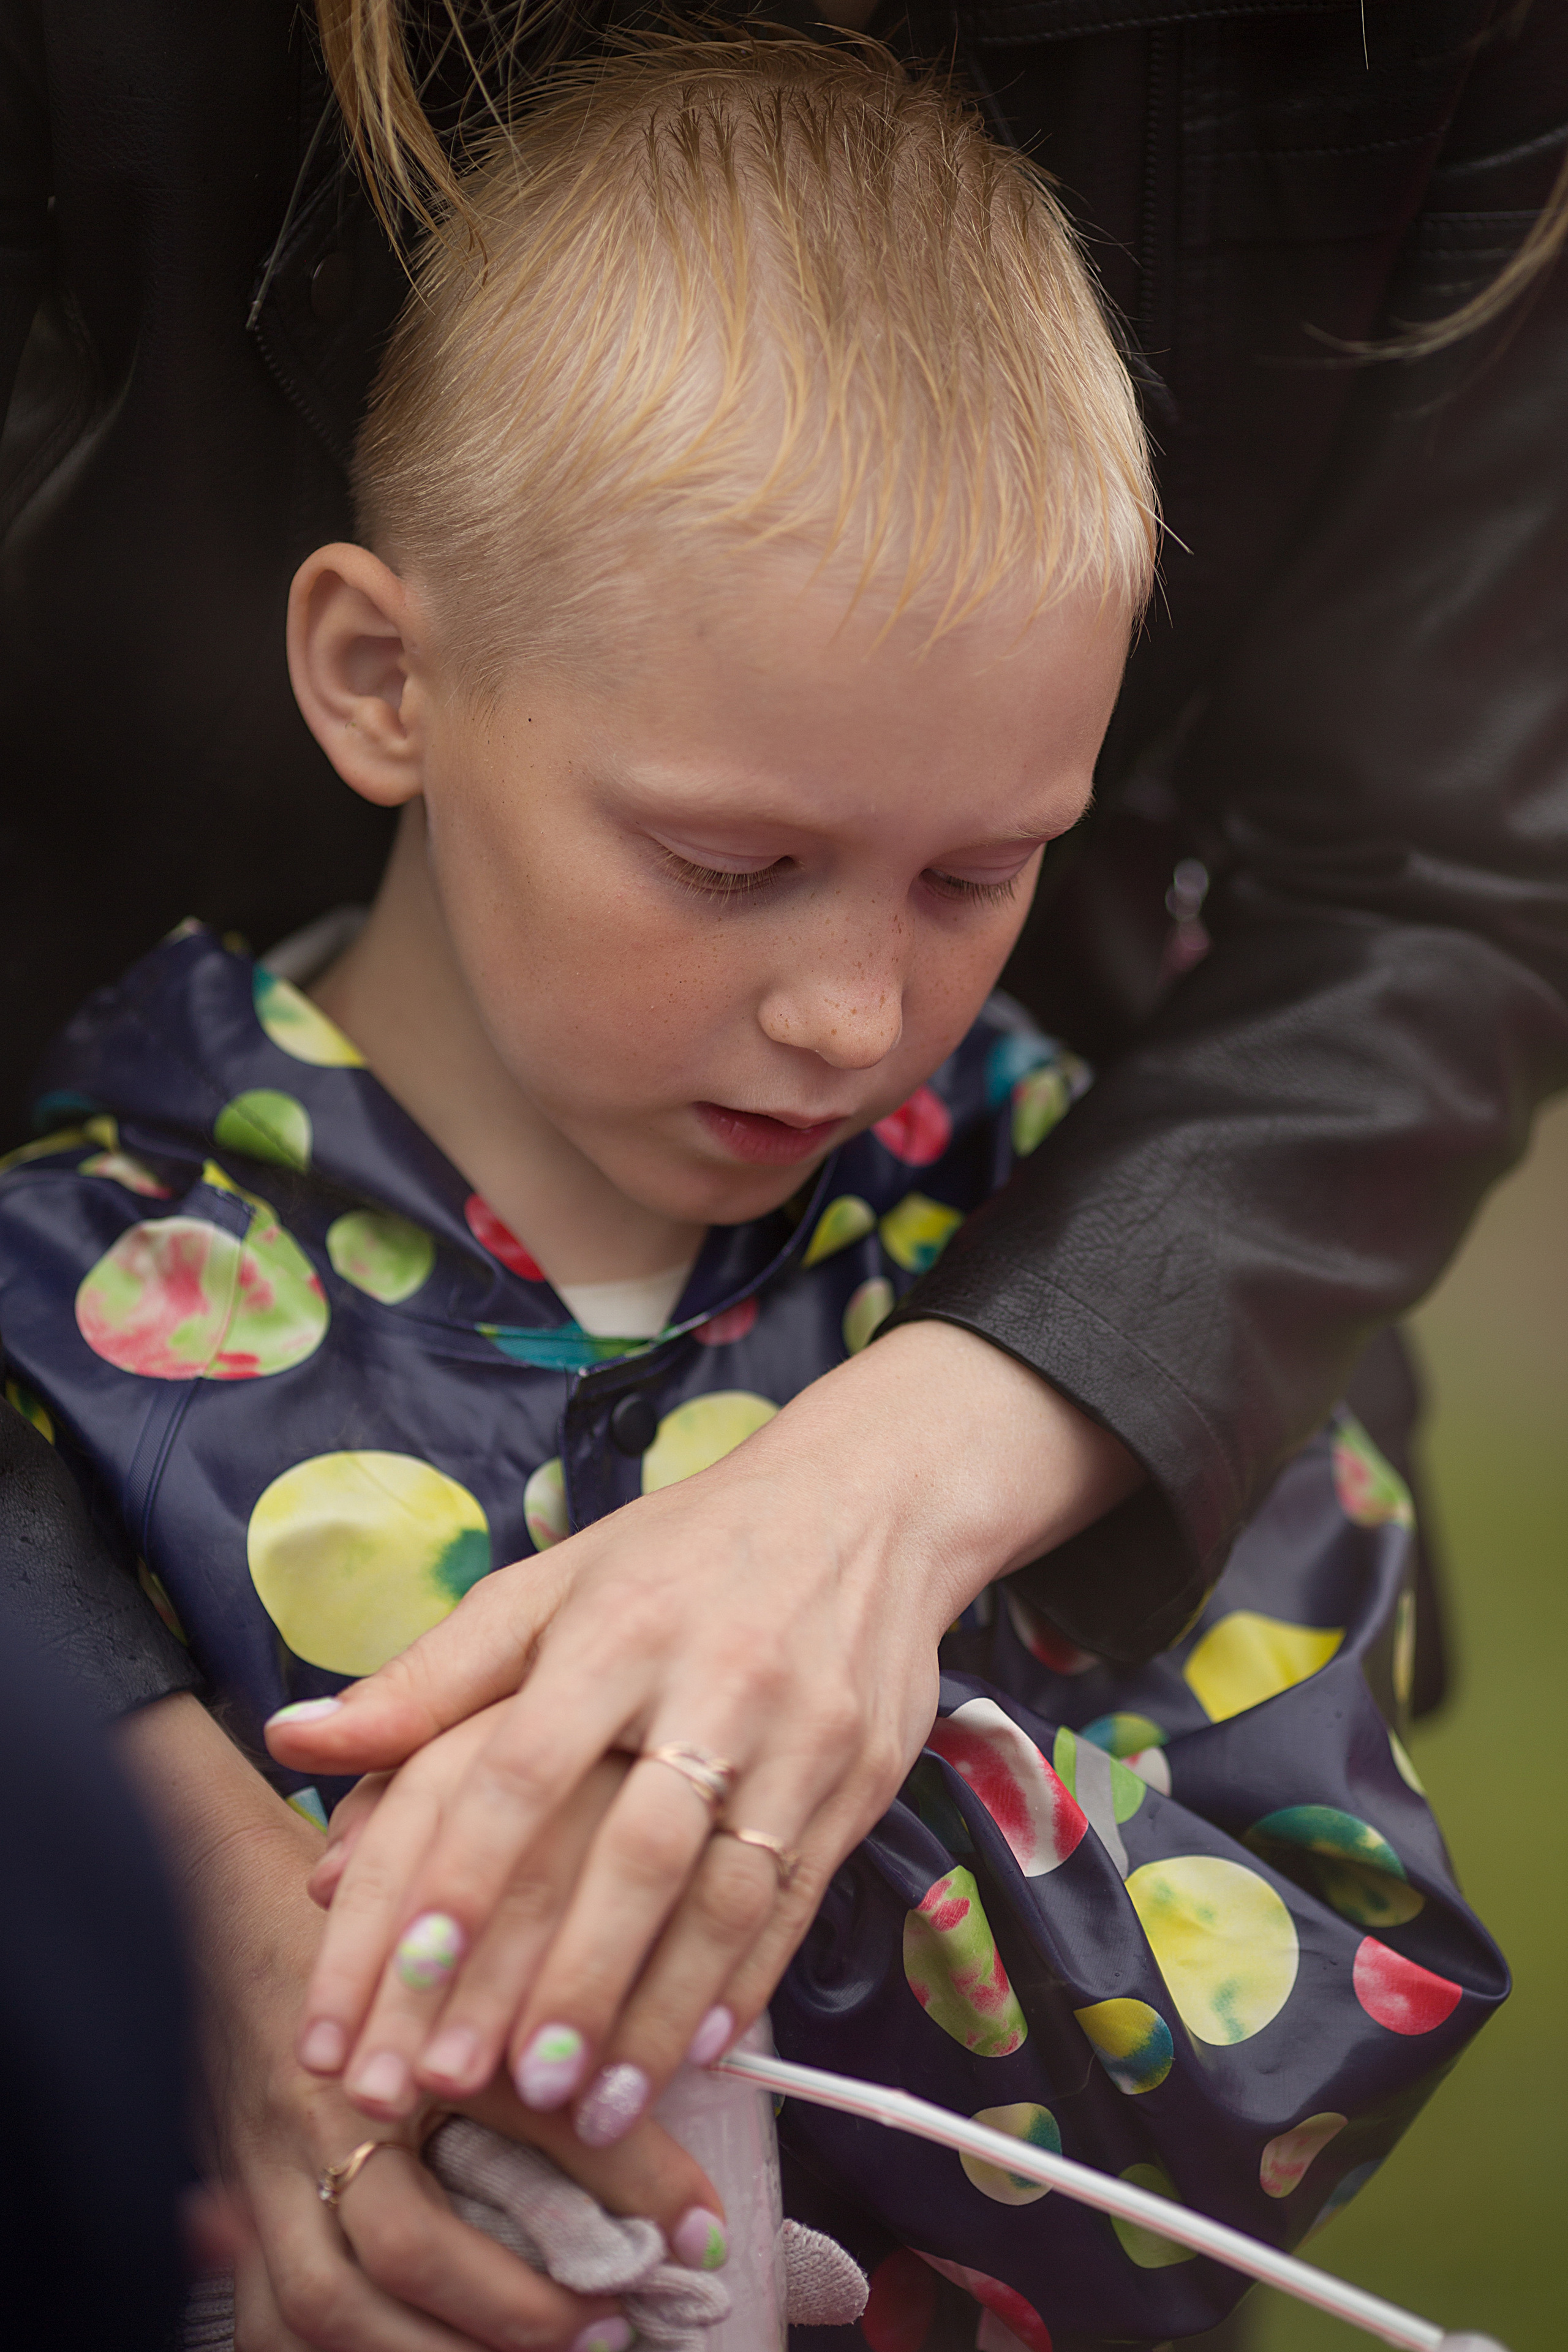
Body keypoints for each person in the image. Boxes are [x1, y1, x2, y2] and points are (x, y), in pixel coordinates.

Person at [0, 36, 1509, 2351]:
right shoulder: (68, 1287)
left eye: (978, 875)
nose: (845, 1012)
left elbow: (1320, 2027)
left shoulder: (1079, 1306)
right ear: (384, 675)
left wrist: (813, 1821)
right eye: (734, 865)